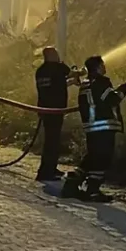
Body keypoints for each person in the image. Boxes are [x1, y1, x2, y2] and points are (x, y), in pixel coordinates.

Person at [61, 55, 126, 202]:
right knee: (102, 159)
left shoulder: (86, 84)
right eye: (103, 65)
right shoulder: (102, 82)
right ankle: (93, 191)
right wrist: (122, 91)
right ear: (98, 67)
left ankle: (72, 184)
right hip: (103, 126)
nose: (105, 67)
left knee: (91, 157)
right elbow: (112, 100)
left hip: (91, 127)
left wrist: (123, 88)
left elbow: (101, 99)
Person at [33, 47, 79, 182]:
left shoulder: (41, 71)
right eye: (56, 54)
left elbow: (57, 84)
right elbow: (70, 72)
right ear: (52, 55)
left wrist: (71, 81)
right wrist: (81, 72)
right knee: (52, 142)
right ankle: (46, 173)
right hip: (55, 110)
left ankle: (49, 168)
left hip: (45, 110)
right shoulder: (58, 67)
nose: (58, 56)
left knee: (50, 140)